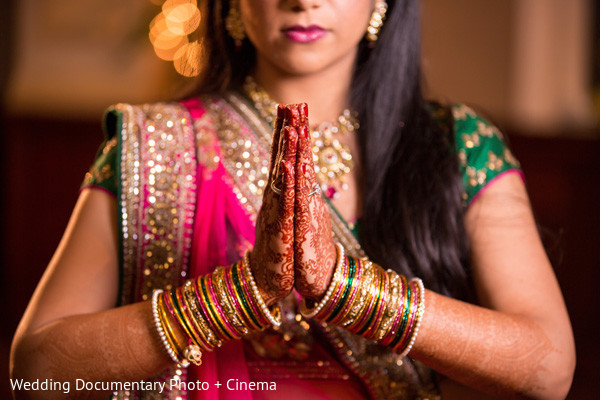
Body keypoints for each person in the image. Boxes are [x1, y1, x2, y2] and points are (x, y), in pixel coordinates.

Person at [10, 1, 575, 399]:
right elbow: (36, 373)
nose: (303, 1)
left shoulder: (459, 145)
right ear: (230, 4)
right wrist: (246, 290)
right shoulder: (152, 143)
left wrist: (345, 288)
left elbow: (548, 368)